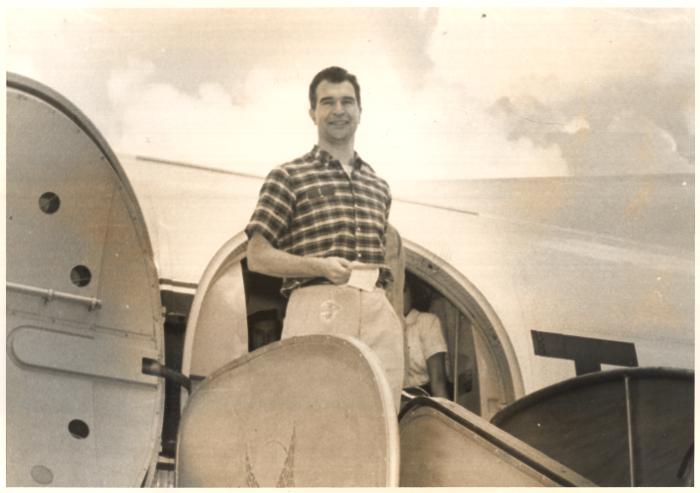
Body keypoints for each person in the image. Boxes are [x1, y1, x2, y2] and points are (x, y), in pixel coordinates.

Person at [245, 66, 404, 411]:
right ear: (312, 112)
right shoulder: (288, 176)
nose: (338, 111)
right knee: (313, 415)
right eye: (327, 102)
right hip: (318, 304)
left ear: (360, 111)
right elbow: (256, 256)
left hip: (377, 307)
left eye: (347, 102)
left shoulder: (379, 186)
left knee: (380, 418)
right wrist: (319, 266)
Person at [403, 275, 449, 399]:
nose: (399, 296)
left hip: (421, 399)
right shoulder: (381, 325)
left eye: (404, 290)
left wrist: (442, 416)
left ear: (412, 293)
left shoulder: (427, 322)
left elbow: (438, 380)